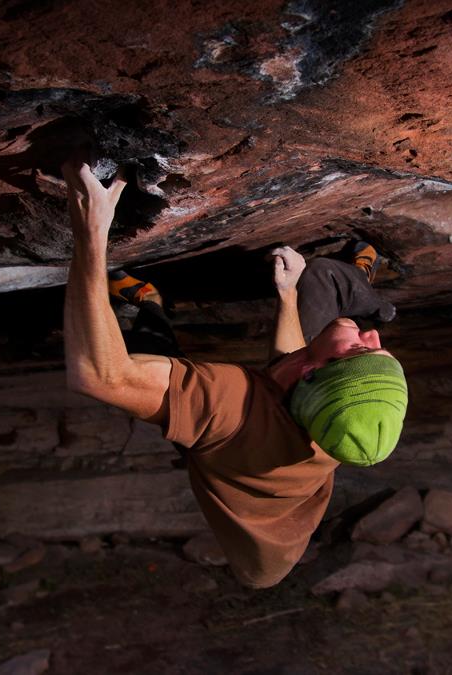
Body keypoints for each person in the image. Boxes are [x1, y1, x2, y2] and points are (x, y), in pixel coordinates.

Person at [62, 161, 408, 588]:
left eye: (360, 351)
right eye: (379, 349)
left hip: (257, 555)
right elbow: (288, 370)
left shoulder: (231, 403)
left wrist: (90, 234)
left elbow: (99, 376)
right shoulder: (338, 425)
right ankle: (357, 277)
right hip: (270, 494)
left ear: (313, 372)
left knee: (149, 362)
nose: (372, 335)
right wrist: (286, 296)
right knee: (318, 280)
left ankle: (149, 303)